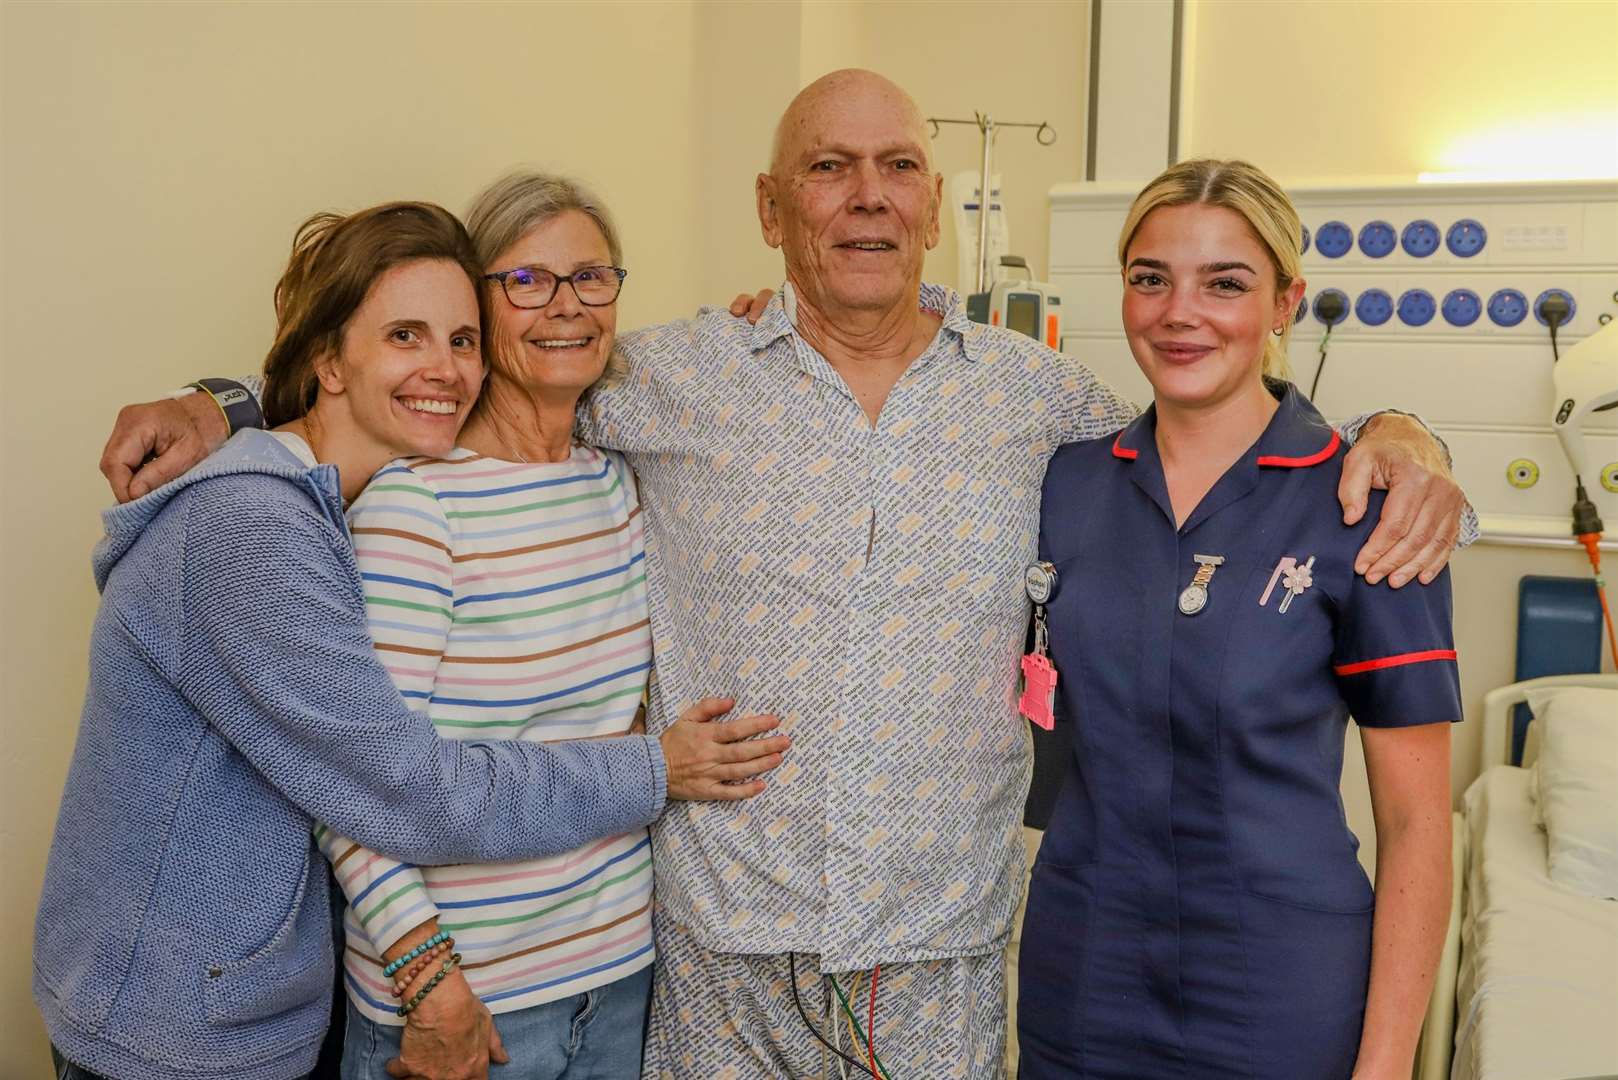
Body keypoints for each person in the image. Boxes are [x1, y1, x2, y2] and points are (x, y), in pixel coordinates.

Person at [95, 70, 1471, 1077]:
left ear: (933, 202)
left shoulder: (1046, 408)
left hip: (937, 960)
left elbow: (1217, 407)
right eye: (826, 167)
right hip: (713, 960)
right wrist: (234, 402)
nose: (864, 194)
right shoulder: (662, 379)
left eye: (894, 167)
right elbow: (446, 370)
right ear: (771, 207)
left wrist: (1398, 437)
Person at [37, 202, 787, 1080]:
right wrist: (657, 768)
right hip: (167, 1036)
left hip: (257, 1007)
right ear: (329, 361)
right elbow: (408, 791)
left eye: (462, 341)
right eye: (406, 336)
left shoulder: (320, 495)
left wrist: (757, 347)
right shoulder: (251, 529)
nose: (445, 369)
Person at [322, 174, 781, 1080]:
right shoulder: (417, 510)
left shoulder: (619, 480)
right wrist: (431, 987)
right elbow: (356, 786)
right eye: (526, 281)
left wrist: (770, 334)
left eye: (591, 277)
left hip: (618, 977)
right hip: (466, 1007)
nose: (565, 305)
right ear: (478, 307)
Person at [1016, 160, 1457, 1079]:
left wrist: (1383, 1069)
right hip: (1083, 979)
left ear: (1287, 302)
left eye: (1226, 282)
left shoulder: (1369, 508)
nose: (1182, 312)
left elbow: (1417, 825)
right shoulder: (1064, 486)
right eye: (1151, 278)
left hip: (1283, 990)